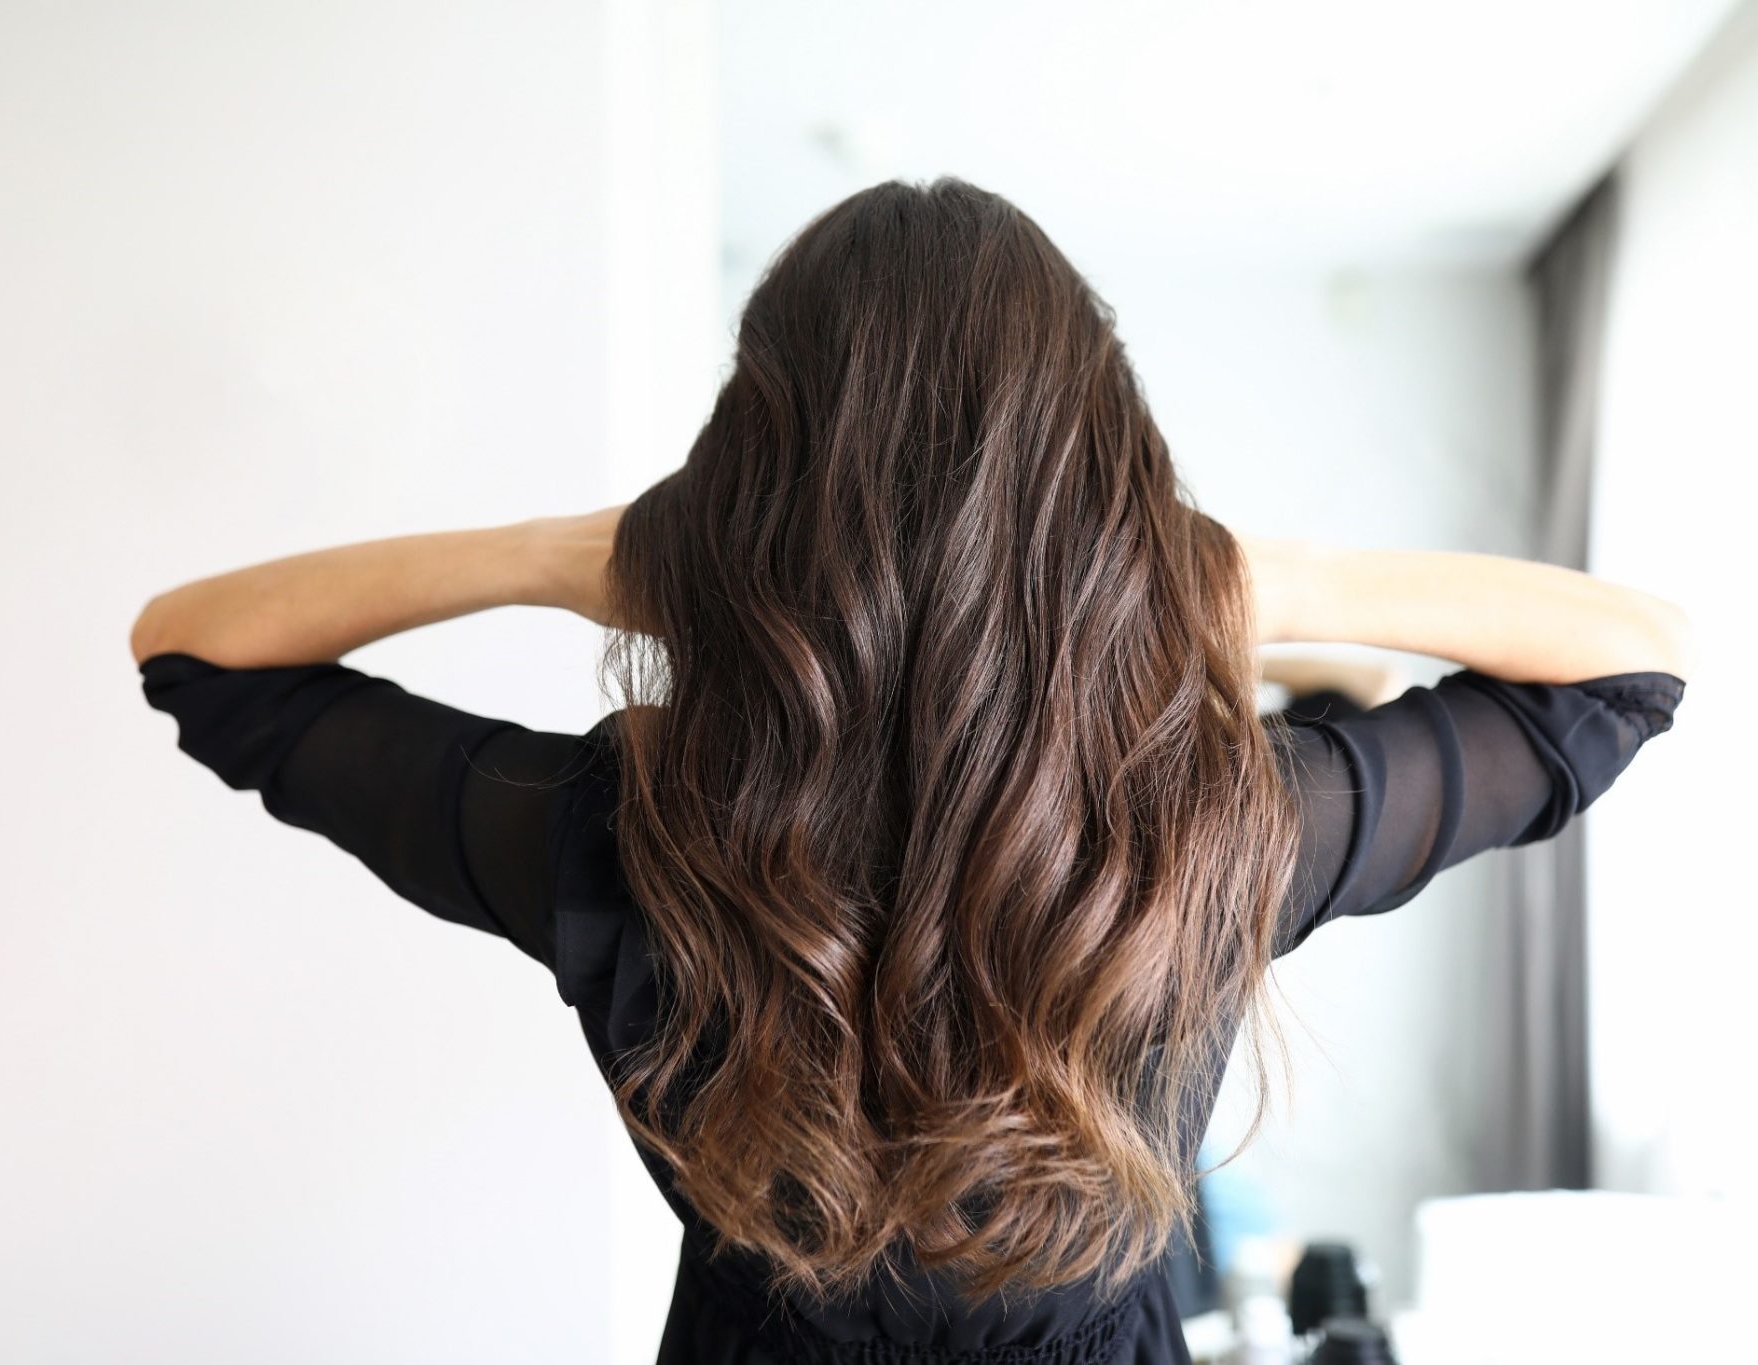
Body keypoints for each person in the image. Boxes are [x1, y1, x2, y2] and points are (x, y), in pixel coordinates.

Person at [129, 178, 1692, 1364]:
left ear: (748, 472)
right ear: (1105, 473)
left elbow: (198, 651)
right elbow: (1626, 666)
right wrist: (1243, 582)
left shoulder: (625, 839)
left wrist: (581, 554)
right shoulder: (1213, 831)